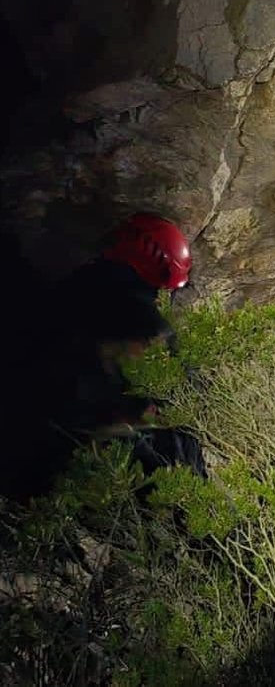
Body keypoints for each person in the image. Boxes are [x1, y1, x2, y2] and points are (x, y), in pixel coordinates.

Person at [1, 212, 206, 504]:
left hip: (36, 443)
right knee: (179, 443)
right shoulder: (149, 327)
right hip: (96, 447)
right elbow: (182, 398)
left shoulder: (65, 290)